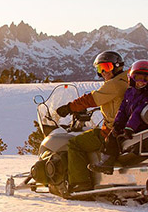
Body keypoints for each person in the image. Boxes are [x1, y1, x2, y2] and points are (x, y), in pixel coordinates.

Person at [55, 50, 129, 194]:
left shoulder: (115, 84)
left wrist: (70, 107)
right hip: (124, 128)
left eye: (106, 67)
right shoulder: (126, 80)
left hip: (112, 132)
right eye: (100, 69)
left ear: (117, 66)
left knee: (75, 144)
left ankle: (79, 185)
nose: (103, 72)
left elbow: (93, 98)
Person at [89, 60, 148, 174]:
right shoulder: (129, 92)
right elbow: (122, 109)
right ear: (132, 78)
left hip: (142, 127)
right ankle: (108, 160)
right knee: (111, 136)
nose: (140, 82)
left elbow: (138, 113)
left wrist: (129, 128)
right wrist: (118, 123)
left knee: (113, 138)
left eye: (145, 79)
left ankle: (107, 164)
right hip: (131, 125)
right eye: (137, 77)